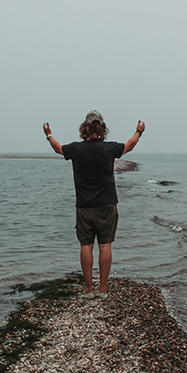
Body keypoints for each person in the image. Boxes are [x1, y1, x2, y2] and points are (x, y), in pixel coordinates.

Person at [43, 110, 145, 300]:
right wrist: (139, 131)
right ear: (102, 128)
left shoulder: (76, 149)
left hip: (84, 206)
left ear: (84, 127)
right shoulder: (109, 148)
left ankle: (89, 290)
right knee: (105, 245)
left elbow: (57, 148)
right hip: (107, 205)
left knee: (86, 245)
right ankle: (103, 290)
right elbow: (129, 146)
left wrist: (48, 134)